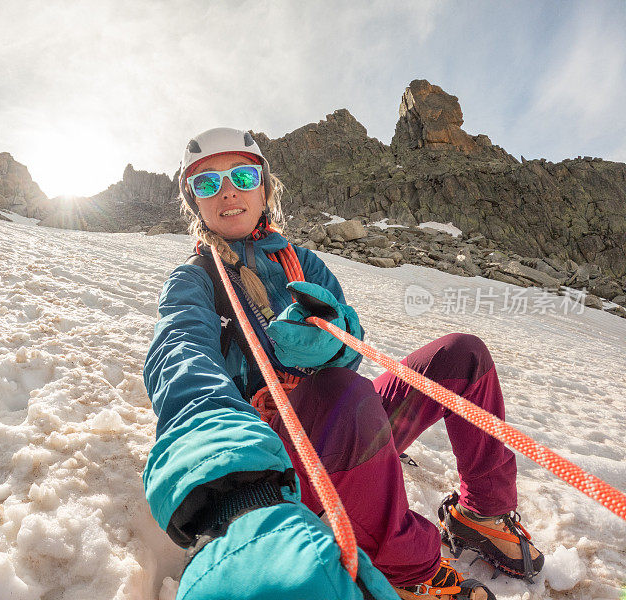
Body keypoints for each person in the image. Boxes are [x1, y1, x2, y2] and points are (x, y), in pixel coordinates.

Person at [142, 127, 543, 600]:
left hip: (343, 430)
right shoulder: (195, 279)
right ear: (195, 202)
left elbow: (351, 347)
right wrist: (228, 463)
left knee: (462, 356)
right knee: (344, 395)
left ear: (264, 188)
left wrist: (330, 343)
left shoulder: (302, 264)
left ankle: (483, 514)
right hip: (274, 456)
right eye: (206, 183)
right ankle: (409, 573)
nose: (227, 190)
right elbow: (179, 350)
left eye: (242, 175)